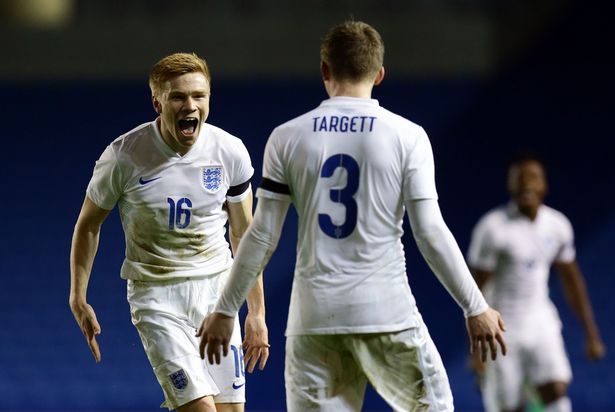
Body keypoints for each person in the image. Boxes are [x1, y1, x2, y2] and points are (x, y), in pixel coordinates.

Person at [198, 21, 507, 411]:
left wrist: (226, 309)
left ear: (325, 70)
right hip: (387, 313)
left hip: (314, 322)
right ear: (379, 75)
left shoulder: (287, 137)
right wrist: (475, 307)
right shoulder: (407, 135)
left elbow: (261, 234)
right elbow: (429, 232)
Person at [69, 52, 270, 412]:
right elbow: (89, 224)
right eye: (178, 97)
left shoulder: (229, 152)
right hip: (157, 297)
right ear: (157, 103)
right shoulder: (124, 155)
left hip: (217, 294)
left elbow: (243, 235)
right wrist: (78, 296)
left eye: (199, 96)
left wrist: (257, 313)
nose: (190, 105)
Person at [467, 152, 606, 412]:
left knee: (555, 388)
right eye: (518, 179)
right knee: (509, 406)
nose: (526, 184)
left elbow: (572, 281)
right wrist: (476, 347)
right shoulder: (492, 228)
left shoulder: (557, 226)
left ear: (545, 184)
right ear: (510, 185)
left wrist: (591, 333)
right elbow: (473, 290)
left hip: (540, 319)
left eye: (532, 177)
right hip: (501, 328)